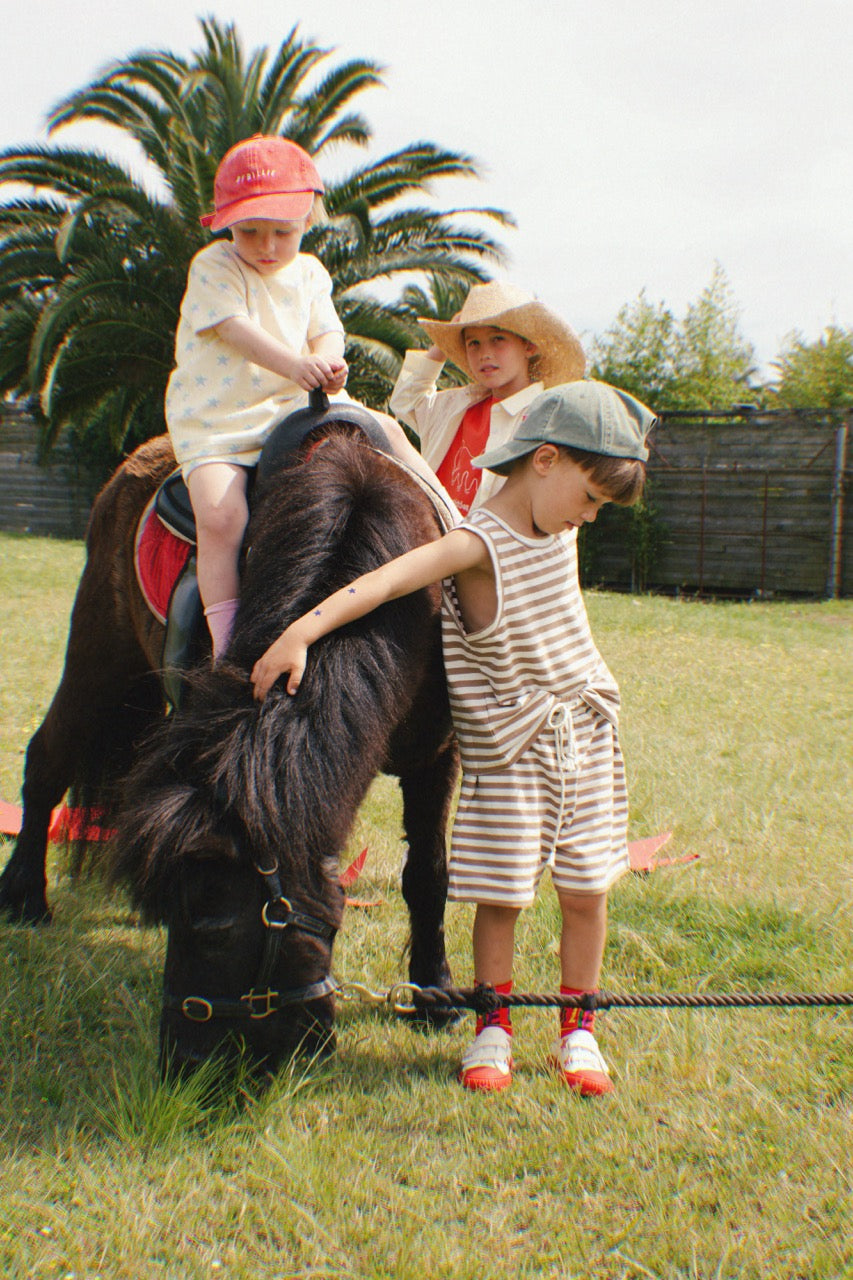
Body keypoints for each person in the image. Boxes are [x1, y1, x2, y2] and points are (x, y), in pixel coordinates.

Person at [251, 380, 657, 1096]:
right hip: (512, 753)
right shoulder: (473, 545)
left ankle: (578, 1030)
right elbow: (380, 583)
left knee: (587, 891)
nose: (589, 518)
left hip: (585, 734)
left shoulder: (556, 526)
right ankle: (492, 1026)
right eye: (590, 498)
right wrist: (300, 631)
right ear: (546, 460)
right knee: (501, 898)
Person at [165, 133, 446, 659]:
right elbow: (233, 327)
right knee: (222, 515)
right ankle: (227, 641)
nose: (267, 247)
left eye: (283, 233)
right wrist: (297, 365)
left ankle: (453, 520)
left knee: (388, 433)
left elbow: (327, 330)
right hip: (222, 416)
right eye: (250, 232)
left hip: (295, 403)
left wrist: (331, 359)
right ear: (227, 224)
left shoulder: (311, 272)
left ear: (308, 223)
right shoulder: (215, 266)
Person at [389, 281, 586, 516]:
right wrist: (442, 345)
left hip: (489, 550)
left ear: (529, 346)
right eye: (473, 343)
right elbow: (406, 400)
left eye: (498, 339)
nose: (485, 354)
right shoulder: (459, 405)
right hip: (432, 541)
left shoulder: (544, 419)